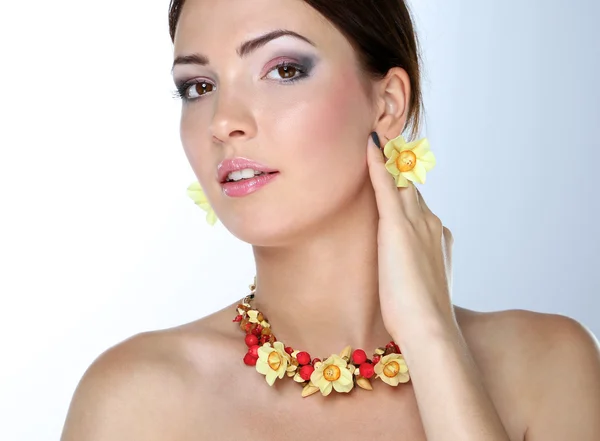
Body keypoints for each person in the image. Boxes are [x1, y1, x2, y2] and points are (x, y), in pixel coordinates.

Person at [61, 0, 600, 439]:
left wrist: (432, 339)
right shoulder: (135, 402)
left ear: (387, 103)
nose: (223, 121)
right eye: (198, 86)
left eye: (283, 70)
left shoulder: (549, 366)